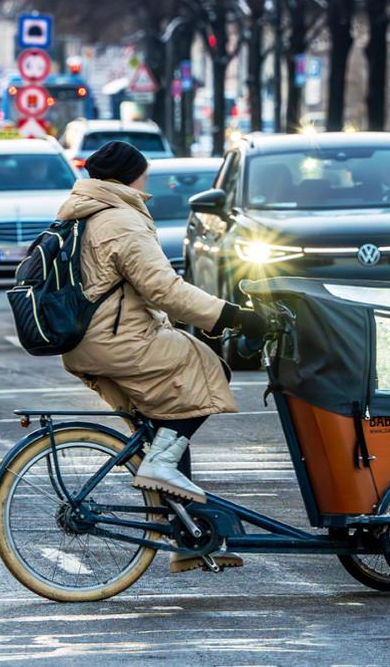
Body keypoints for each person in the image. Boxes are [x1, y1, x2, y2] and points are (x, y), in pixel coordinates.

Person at [57, 140, 266, 573]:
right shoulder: (121, 220)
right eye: (144, 174)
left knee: (169, 415)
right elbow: (165, 290)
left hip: (89, 340)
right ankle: (164, 468)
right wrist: (230, 316)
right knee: (208, 367)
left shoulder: (87, 211)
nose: (147, 183)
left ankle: (186, 534)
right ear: (130, 176)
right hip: (117, 340)